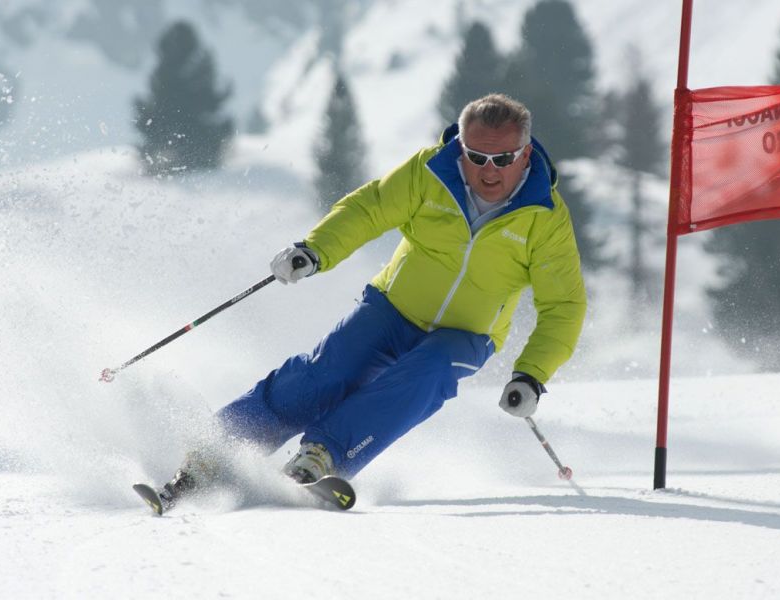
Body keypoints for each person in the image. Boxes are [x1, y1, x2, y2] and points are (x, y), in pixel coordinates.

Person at [155, 93, 587, 509]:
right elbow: (370, 208)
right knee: (329, 370)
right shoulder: (430, 173)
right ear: (460, 148)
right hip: (391, 309)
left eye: (503, 160)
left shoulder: (544, 217)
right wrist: (316, 249)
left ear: (525, 155)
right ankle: (216, 453)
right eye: (476, 157)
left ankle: (322, 456)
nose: (488, 171)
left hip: (466, 335)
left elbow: (562, 306)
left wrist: (531, 376)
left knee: (427, 373)